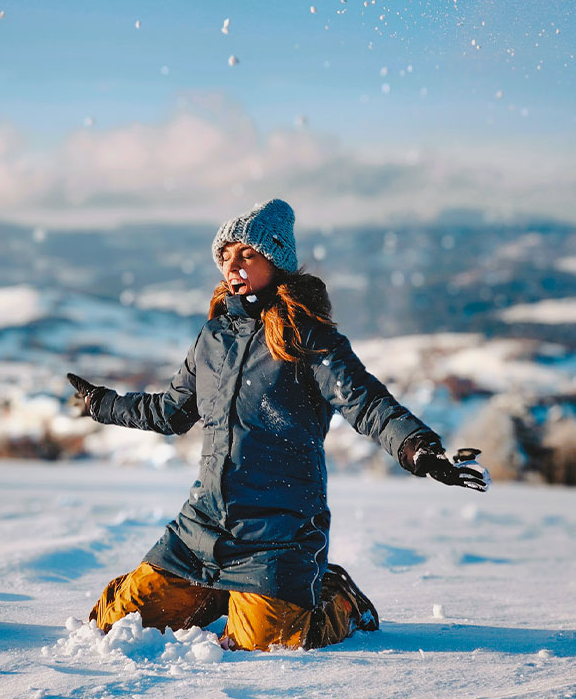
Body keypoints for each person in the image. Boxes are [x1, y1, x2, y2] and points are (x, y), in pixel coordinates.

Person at [67, 198, 489, 652]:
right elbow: (169, 411)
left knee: (268, 643)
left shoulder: (308, 337)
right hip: (201, 528)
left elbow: (366, 402)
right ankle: (216, 594)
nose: (232, 265)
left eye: (247, 254)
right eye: (225, 255)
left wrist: (418, 448)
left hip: (278, 535)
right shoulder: (213, 338)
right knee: (115, 623)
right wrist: (102, 404)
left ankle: (339, 598)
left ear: (277, 262)